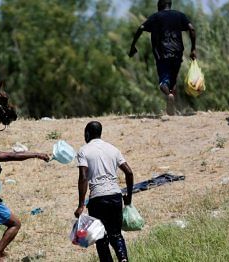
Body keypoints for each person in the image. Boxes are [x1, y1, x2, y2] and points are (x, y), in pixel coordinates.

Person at [74, 121, 134, 262]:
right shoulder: (113, 149)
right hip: (115, 196)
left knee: (100, 238)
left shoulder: (84, 150)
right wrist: (128, 198)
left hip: (97, 199)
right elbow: (129, 172)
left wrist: (81, 204)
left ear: (87, 134)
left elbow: (83, 177)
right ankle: (123, 259)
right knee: (116, 234)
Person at [128, 0, 196, 116]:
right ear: (170, 5)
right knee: (173, 79)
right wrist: (193, 49)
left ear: (159, 6)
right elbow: (192, 28)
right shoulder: (179, 15)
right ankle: (172, 108)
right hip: (177, 52)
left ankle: (169, 95)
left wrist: (133, 45)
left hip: (162, 53)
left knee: (164, 80)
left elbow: (141, 27)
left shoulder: (155, 17)